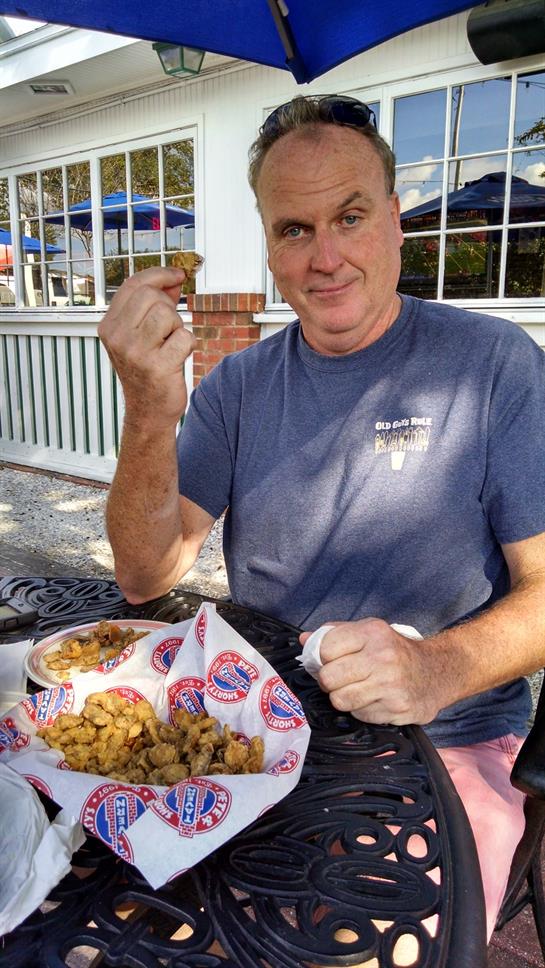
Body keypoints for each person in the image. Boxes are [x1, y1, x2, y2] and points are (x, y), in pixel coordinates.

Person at [98, 94, 545, 941]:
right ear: (270, 248)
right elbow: (144, 574)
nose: (325, 257)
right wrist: (149, 412)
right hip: (254, 730)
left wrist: (435, 669)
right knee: (128, 914)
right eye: (294, 229)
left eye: (349, 216)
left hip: (447, 737)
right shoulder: (237, 387)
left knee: (359, 945)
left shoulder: (493, 367)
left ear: (396, 221)